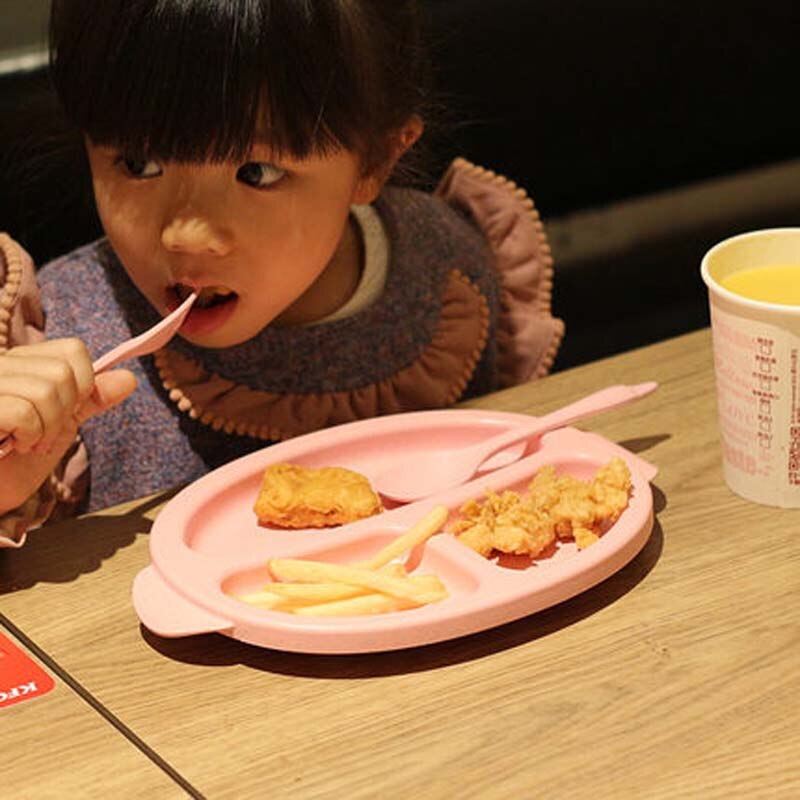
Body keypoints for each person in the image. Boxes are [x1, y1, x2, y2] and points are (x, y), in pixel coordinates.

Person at [0, 0, 564, 547]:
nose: (185, 235)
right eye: (139, 164)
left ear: (375, 163)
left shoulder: (447, 270)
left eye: (257, 171)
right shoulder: (60, 327)